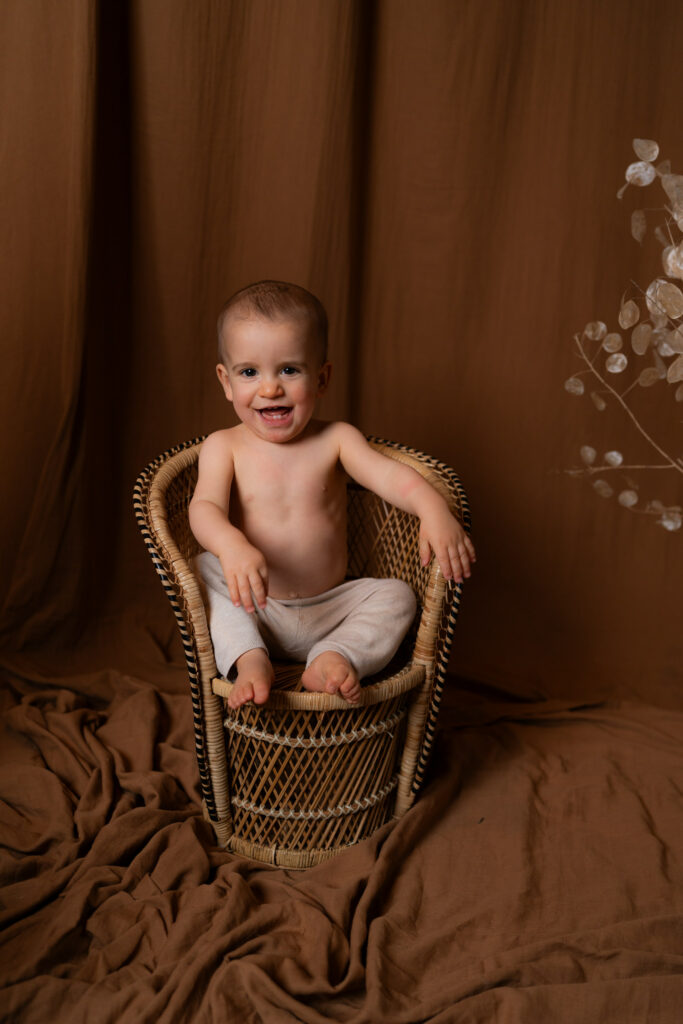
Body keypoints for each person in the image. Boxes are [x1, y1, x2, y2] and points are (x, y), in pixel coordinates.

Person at [189, 281, 476, 710]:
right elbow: (204, 508)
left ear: (321, 378)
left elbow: (392, 478)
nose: (270, 389)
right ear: (226, 381)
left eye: (289, 370)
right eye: (250, 372)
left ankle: (335, 656)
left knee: (398, 597)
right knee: (203, 567)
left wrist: (433, 507)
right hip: (255, 606)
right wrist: (232, 546)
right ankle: (249, 659)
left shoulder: (337, 439)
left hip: (332, 607)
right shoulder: (223, 446)